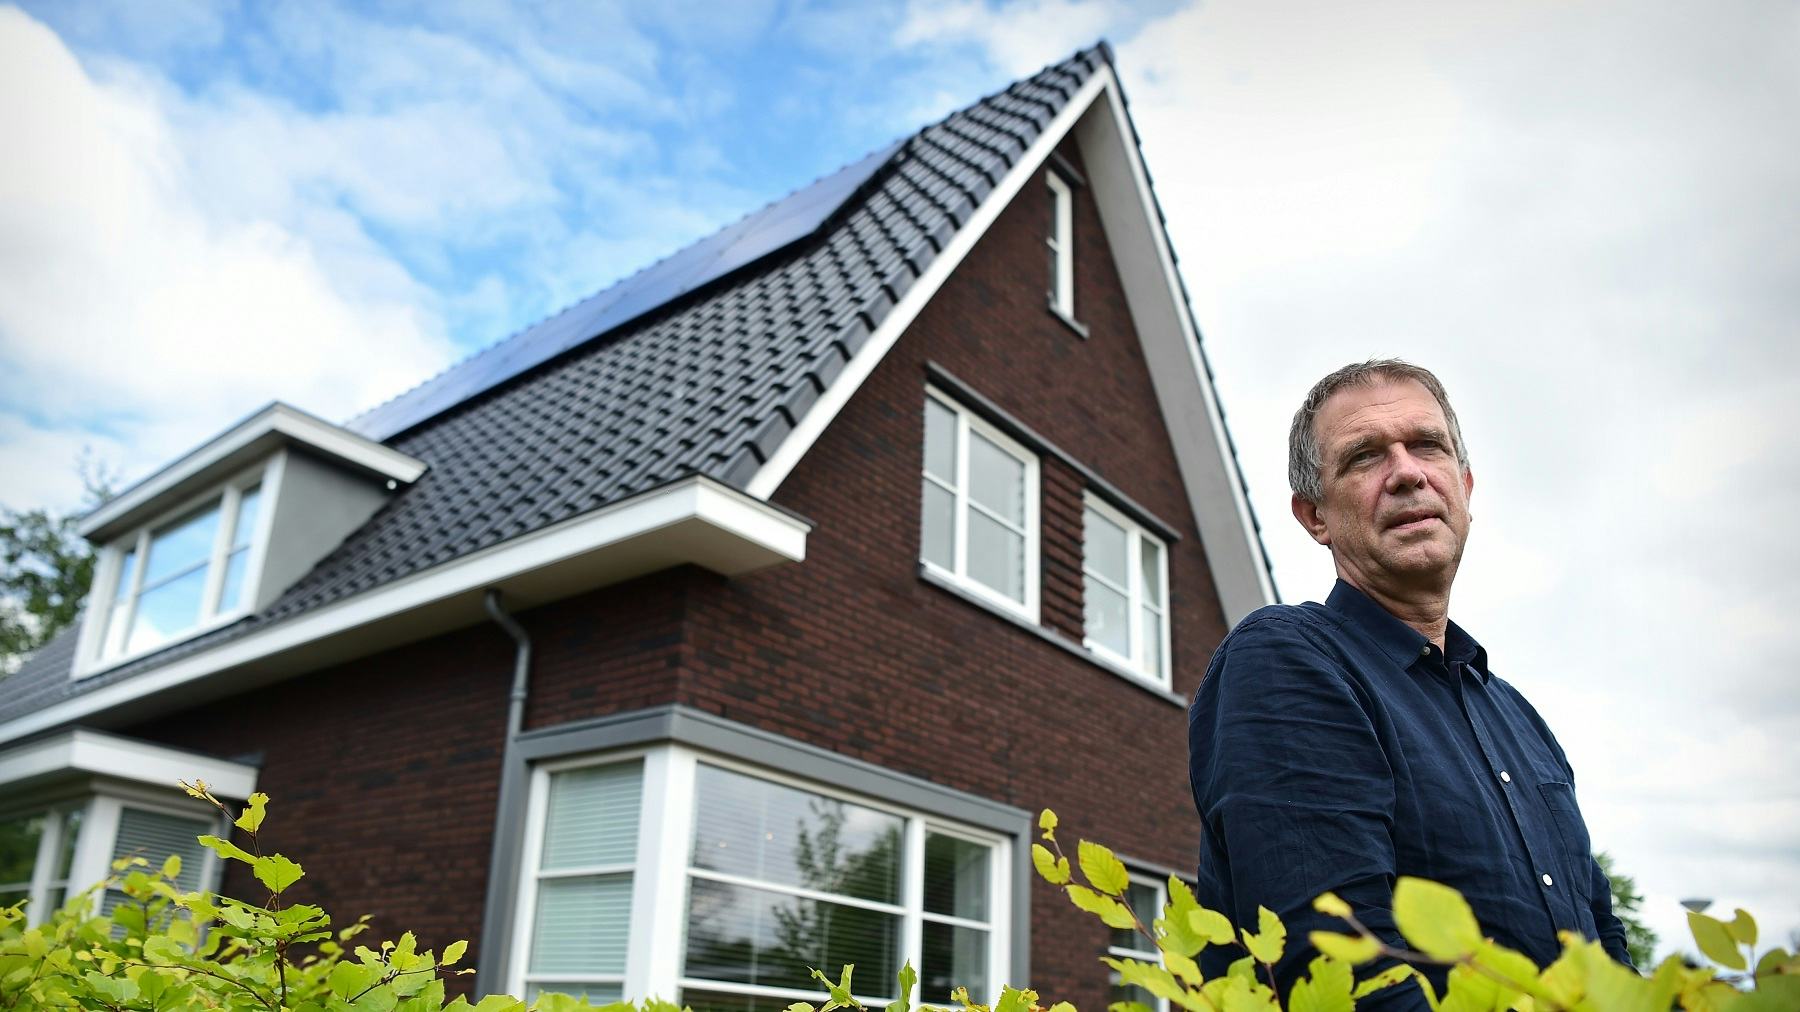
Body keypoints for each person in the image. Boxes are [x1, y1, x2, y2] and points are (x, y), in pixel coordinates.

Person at [1188, 359, 1630, 1004]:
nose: (1407, 473)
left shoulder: (1518, 717)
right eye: (1364, 457)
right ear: (1315, 517)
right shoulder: (1288, 660)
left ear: (1465, 487)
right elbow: (1339, 959)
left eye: (1427, 446)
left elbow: (1602, 938)